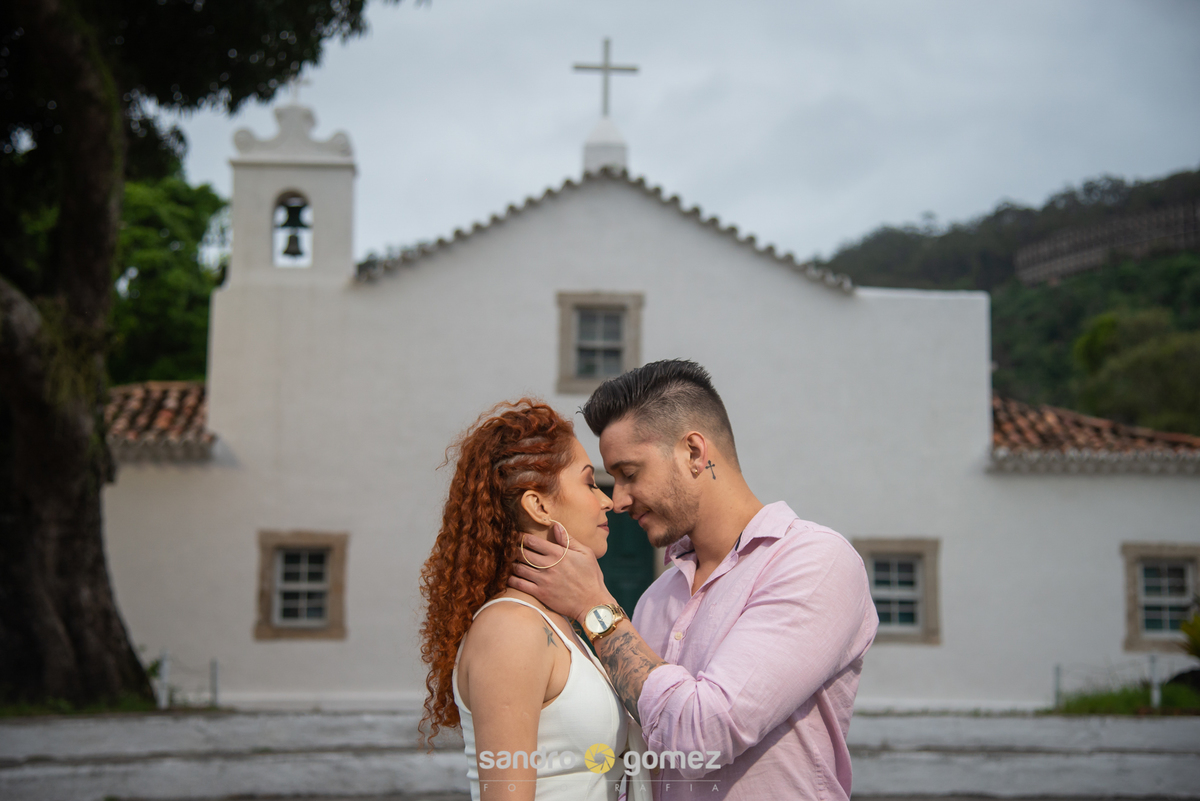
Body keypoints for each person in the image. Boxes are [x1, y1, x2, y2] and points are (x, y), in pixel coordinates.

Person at [510, 359, 879, 800]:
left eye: (629, 474)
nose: (619, 501)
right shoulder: (655, 598)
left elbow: (705, 734)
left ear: (694, 453)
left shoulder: (814, 561)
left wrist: (595, 609)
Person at [418, 399, 649, 801]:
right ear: (538, 505)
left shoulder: (554, 623)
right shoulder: (511, 628)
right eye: (590, 482)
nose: (607, 501)